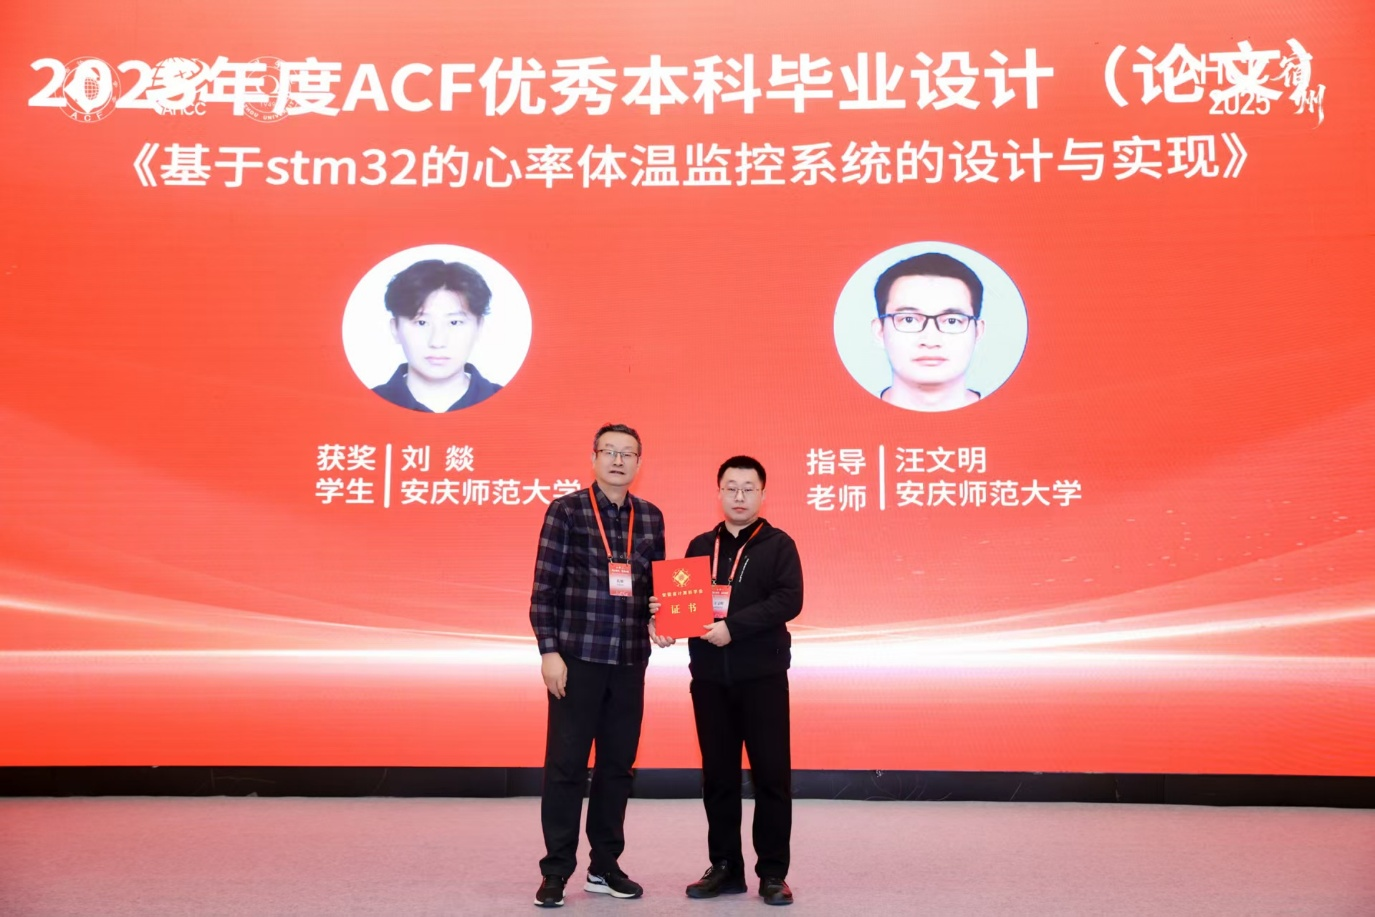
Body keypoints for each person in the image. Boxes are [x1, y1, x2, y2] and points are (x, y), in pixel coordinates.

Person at [651, 456, 803, 906]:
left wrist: (733, 627)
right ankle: (724, 867)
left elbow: (789, 600)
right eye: (731, 488)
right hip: (710, 680)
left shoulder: (779, 545)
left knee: (771, 777)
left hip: (762, 679)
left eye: (748, 488)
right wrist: (662, 618)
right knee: (717, 777)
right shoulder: (701, 546)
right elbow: (683, 603)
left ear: (762, 494)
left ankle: (772, 873)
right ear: (718, 492)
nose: (739, 496)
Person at [529, 423, 667, 908]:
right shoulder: (566, 511)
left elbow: (655, 590)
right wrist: (549, 652)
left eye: (628, 453)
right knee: (566, 767)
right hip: (577, 658)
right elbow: (544, 588)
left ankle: (604, 866)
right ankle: (555, 870)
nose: (618, 460)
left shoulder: (650, 517)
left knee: (617, 768)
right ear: (593, 458)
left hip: (629, 660)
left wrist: (663, 617)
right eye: (609, 451)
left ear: (639, 463)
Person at [371, 259, 502, 412]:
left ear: (479, 328)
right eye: (421, 323)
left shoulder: (512, 405)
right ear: (395, 329)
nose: (437, 342)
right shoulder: (363, 407)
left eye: (454, 322)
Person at [870, 252, 986, 412]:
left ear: (978, 332)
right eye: (909, 319)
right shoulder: (847, 419)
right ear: (880, 331)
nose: (931, 341)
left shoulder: (1013, 420)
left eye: (952, 321)